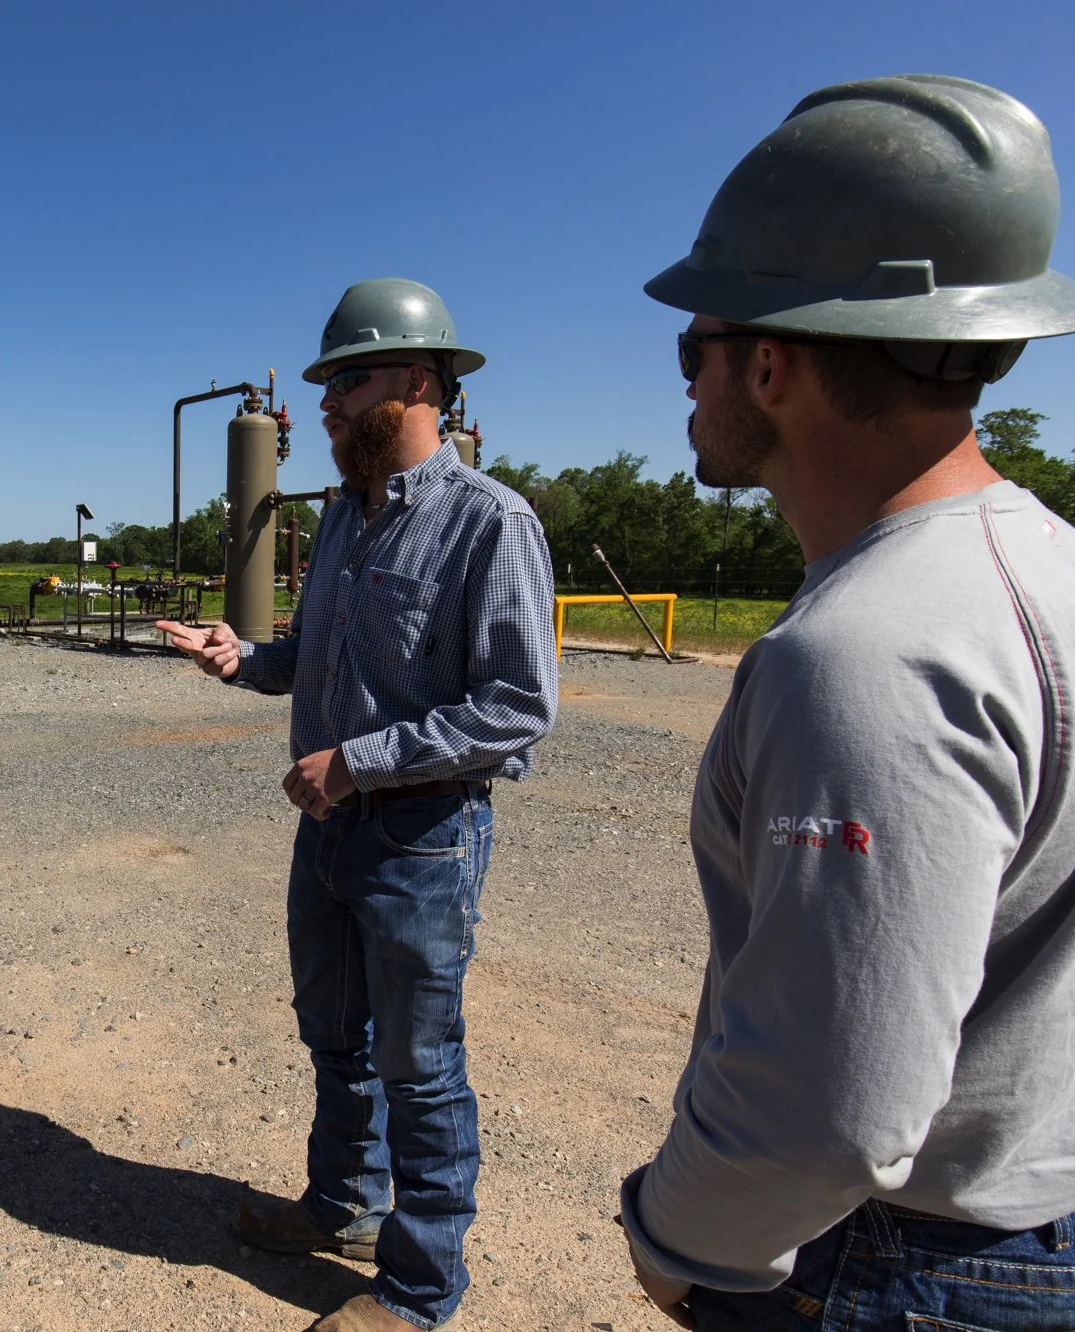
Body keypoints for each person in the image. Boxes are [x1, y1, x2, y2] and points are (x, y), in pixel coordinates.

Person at [620, 75, 1075, 1331]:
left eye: (690, 347)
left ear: (766, 364)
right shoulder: (1042, 564)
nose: (687, 387)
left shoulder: (867, 653)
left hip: (906, 1265)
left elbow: (830, 1107)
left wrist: (679, 1239)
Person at [158, 277, 558, 1331]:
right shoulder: (342, 513)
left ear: (419, 384)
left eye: (349, 380)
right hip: (328, 829)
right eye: (328, 382)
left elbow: (518, 705)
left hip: (421, 838)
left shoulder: (489, 523)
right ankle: (342, 1205)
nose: (325, 402)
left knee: (418, 1066)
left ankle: (420, 1288)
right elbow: (316, 658)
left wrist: (360, 762)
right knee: (333, 1036)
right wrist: (242, 658)